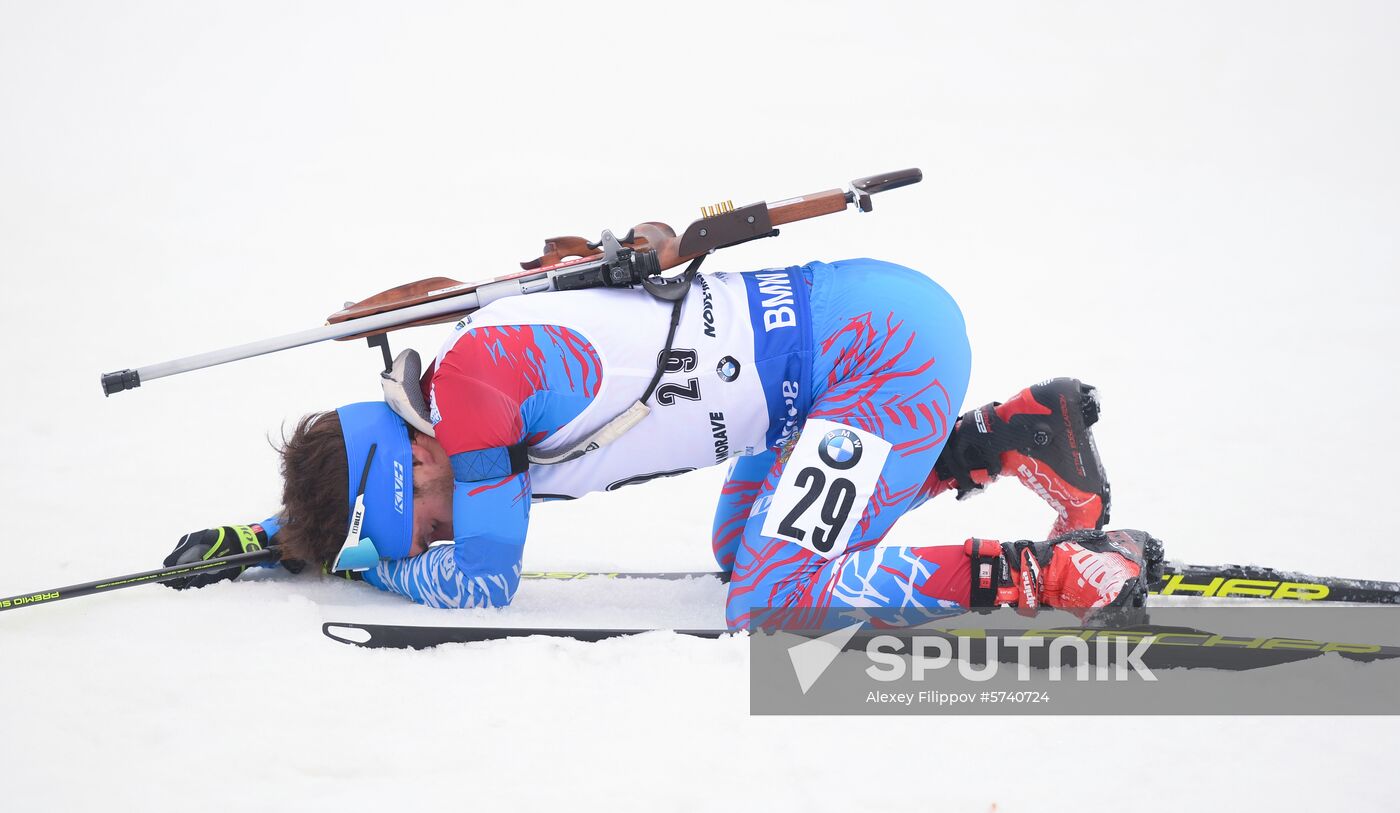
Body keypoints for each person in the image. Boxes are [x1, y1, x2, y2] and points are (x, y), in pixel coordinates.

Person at [162, 258, 1161, 629]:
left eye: (422, 523)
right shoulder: (456, 436)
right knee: (747, 555)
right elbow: (414, 522)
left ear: (422, 461)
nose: (439, 538)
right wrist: (276, 535)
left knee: (774, 600)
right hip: (835, 367)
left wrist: (373, 565)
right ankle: (999, 439)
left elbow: (482, 584)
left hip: (877, 356)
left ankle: (1051, 573)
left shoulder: (474, 398)